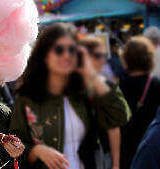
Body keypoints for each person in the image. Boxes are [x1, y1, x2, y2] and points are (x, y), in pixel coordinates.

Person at [9, 23, 130, 169]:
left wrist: (91, 73)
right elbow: (14, 146)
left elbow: (120, 116)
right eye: (59, 50)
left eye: (72, 50)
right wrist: (36, 151)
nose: (66, 55)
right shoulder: (28, 98)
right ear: (45, 56)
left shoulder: (85, 92)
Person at [79, 36, 124, 169]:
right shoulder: (70, 85)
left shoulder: (107, 86)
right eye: (98, 55)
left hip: (99, 151)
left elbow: (114, 128)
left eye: (104, 55)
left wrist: (116, 164)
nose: (103, 59)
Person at [120, 36, 160, 169]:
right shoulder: (156, 84)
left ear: (126, 58)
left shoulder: (118, 85)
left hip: (124, 149)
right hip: (151, 147)